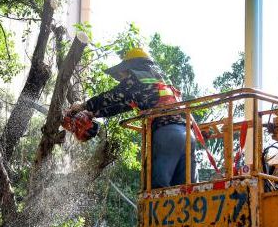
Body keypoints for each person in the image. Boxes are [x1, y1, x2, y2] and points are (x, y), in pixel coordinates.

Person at [68, 48, 196, 188]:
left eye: (122, 73)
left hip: (166, 135)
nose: (121, 78)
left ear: (130, 68)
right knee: (186, 190)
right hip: (188, 135)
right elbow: (120, 106)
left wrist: (83, 106)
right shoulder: (156, 84)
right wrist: (93, 114)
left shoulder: (136, 79)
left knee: (156, 189)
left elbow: (111, 97)